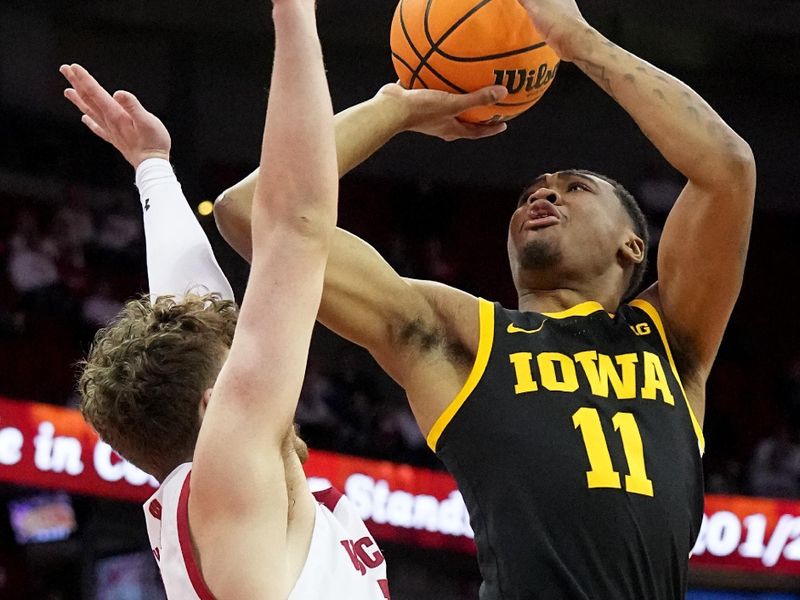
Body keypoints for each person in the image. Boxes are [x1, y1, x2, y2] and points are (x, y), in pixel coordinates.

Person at [214, 0, 757, 598]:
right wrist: (391, 110)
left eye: (575, 188)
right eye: (530, 193)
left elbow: (728, 167)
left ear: (634, 244)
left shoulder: (672, 340)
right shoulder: (462, 336)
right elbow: (249, 213)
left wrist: (578, 41)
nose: (542, 197)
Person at [63, 0, 394, 597]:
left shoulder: (216, 497)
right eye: (237, 358)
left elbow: (196, 306)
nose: (251, 353)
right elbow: (296, 225)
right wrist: (295, 15)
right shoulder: (230, 480)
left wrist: (153, 168)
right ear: (213, 409)